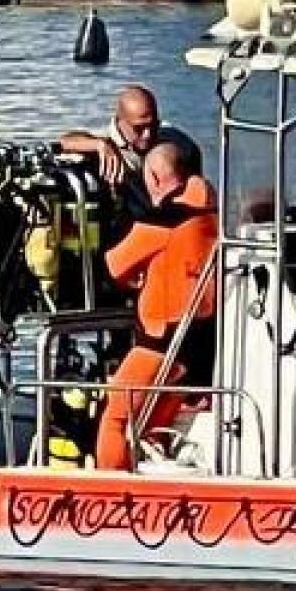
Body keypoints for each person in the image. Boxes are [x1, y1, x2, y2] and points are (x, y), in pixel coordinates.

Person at [95, 134, 219, 472]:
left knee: (117, 417)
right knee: (155, 425)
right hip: (197, 347)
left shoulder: (164, 221)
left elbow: (112, 266)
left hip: (159, 343)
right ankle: (155, 479)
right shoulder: (213, 215)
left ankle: (109, 487)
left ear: (153, 178)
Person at [57, 85, 162, 190]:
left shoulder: (167, 135)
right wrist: (98, 144)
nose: (147, 134)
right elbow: (65, 142)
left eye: (153, 125)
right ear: (121, 120)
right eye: (138, 128)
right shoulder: (105, 139)